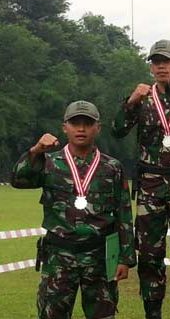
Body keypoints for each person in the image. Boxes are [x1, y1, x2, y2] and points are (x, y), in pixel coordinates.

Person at [11, 101, 136, 319]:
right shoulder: (49, 162)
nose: (81, 129)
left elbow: (123, 213)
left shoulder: (112, 167)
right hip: (59, 257)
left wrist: (125, 258)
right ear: (64, 127)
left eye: (87, 124)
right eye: (75, 123)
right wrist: (35, 151)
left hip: (99, 257)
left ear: (98, 127)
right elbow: (19, 180)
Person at [111, 39, 170, 319]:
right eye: (156, 61)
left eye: (167, 60)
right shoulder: (142, 97)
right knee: (150, 254)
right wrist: (129, 103)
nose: (161, 66)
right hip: (151, 185)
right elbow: (117, 131)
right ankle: (153, 311)